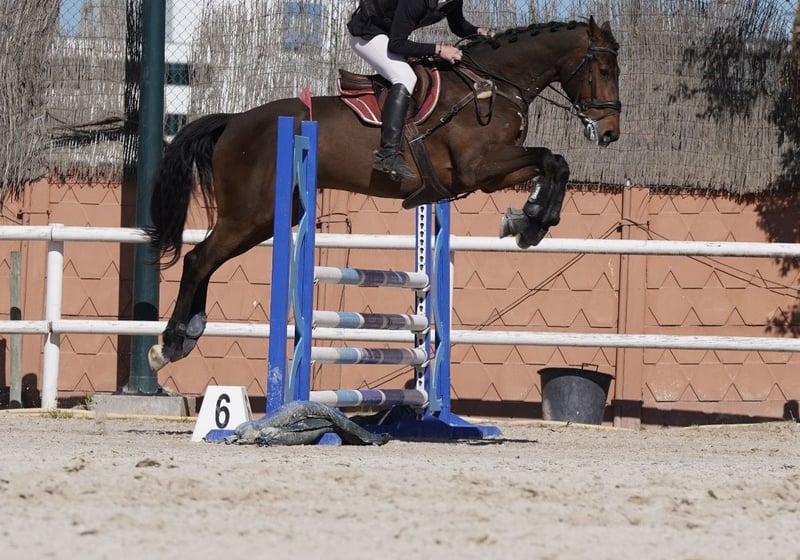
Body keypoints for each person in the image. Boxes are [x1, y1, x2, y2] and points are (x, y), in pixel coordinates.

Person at [347, 0, 493, 181]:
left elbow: (458, 25)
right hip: (367, 33)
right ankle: (388, 154)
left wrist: (478, 31)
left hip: (390, 35)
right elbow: (396, 44)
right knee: (405, 77)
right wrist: (439, 49)